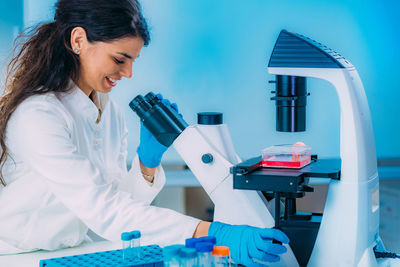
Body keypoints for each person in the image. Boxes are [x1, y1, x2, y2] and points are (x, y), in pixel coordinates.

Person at [0, 0, 289, 265]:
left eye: (133, 61)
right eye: (120, 59)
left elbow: (122, 211)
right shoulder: (38, 115)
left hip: (73, 251)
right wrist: (214, 235)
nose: (128, 74)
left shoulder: (108, 111)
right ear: (78, 40)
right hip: (18, 255)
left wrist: (147, 161)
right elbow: (106, 212)